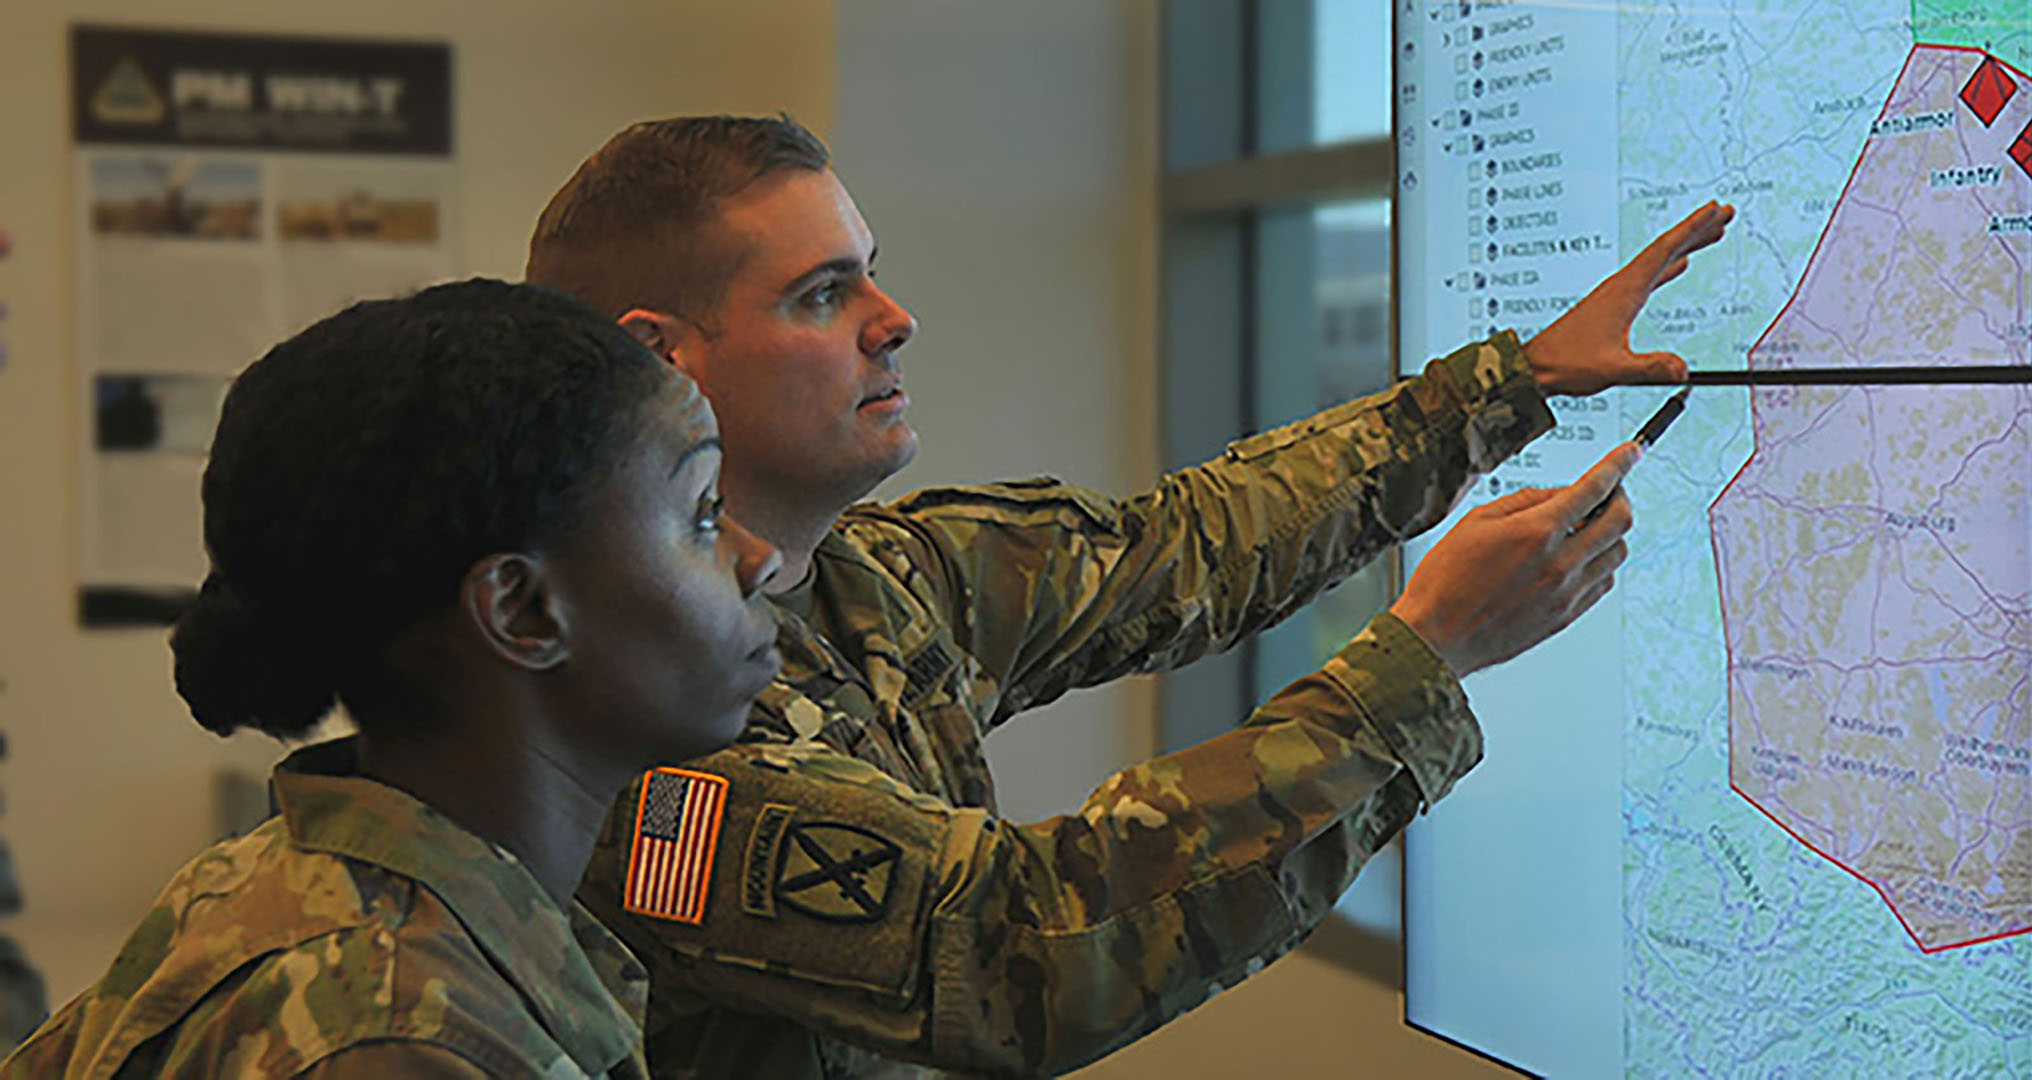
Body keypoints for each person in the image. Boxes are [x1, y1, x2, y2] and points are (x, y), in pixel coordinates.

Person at [527, 114, 1733, 1077]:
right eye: (822, 295)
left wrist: (1510, 382)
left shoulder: (874, 580)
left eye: (873, 279)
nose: (894, 323)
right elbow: (1019, 953)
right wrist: (1421, 660)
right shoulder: (630, 711)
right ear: (661, 357)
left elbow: (1188, 547)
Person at [1, 280, 784, 1078]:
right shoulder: (399, 1035)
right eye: (702, 512)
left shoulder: (287, 885)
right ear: (522, 611)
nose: (759, 558)